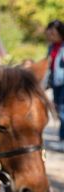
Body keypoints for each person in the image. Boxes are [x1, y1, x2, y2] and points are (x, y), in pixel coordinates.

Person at [46, 20, 64, 150]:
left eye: (53, 33)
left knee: (63, 110)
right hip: (56, 82)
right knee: (59, 109)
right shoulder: (52, 46)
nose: (51, 36)